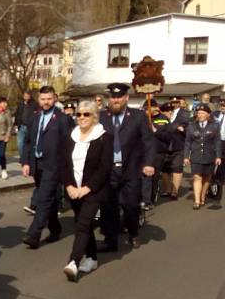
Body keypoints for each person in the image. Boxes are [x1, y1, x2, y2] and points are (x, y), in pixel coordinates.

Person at [98, 83, 155, 252]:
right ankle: (110, 240)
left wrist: (149, 163)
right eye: (113, 97)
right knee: (108, 206)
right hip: (108, 170)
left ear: (126, 98)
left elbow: (149, 142)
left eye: (119, 97)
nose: (116, 100)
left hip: (131, 168)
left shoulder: (138, 116)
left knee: (131, 205)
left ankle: (133, 233)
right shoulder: (102, 117)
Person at [60, 102, 113, 282]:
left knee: (82, 224)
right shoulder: (71, 136)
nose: (81, 117)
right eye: (79, 114)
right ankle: (92, 258)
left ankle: (73, 262)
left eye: (86, 114)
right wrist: (69, 186)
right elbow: (64, 164)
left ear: (94, 117)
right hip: (74, 189)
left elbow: (105, 167)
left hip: (93, 190)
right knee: (84, 224)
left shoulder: (104, 137)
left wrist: (86, 188)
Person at [21, 85, 73, 249]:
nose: (46, 102)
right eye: (43, 99)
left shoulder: (63, 119)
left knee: (43, 198)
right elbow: (28, 141)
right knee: (48, 199)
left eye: (49, 99)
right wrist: (26, 162)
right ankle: (55, 228)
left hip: (54, 165)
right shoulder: (35, 117)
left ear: (55, 98)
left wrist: (66, 167)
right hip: (37, 164)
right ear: (38, 99)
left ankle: (33, 234)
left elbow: (68, 145)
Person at [184, 104, 222, 209]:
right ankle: (196, 201)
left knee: (207, 179)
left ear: (208, 114)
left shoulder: (214, 125)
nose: (199, 115)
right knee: (197, 177)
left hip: (210, 156)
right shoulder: (191, 126)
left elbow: (217, 142)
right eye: (198, 113)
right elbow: (187, 142)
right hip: (196, 156)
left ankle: (202, 196)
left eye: (202, 113)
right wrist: (186, 156)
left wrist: (218, 156)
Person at [14, 91, 37, 164]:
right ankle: (22, 158)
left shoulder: (34, 104)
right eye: (25, 95)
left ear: (30, 96)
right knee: (19, 144)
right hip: (21, 126)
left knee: (29, 144)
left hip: (30, 127)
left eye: (27, 95)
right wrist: (15, 124)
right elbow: (17, 114)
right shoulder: (20, 104)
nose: (26, 97)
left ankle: (27, 159)